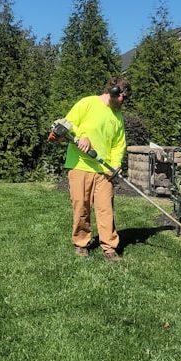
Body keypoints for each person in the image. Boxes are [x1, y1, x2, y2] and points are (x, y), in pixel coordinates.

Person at [63, 76, 129, 262]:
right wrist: (81, 136)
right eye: (123, 96)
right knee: (81, 206)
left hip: (104, 171)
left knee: (105, 209)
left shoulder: (118, 116)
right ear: (113, 92)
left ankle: (109, 247)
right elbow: (67, 124)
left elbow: (118, 144)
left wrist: (115, 164)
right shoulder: (88, 103)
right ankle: (82, 243)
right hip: (80, 165)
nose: (124, 101)